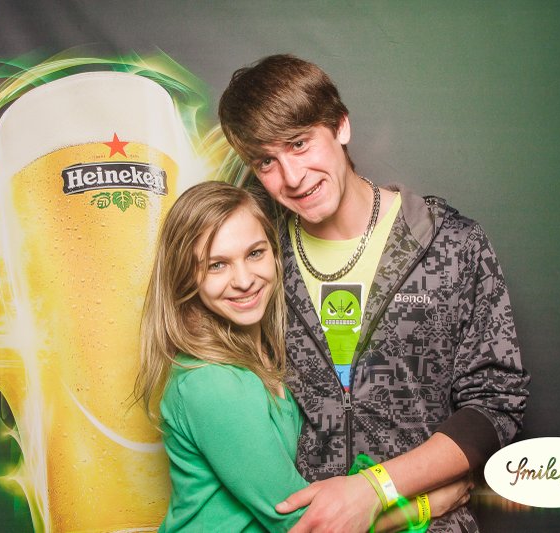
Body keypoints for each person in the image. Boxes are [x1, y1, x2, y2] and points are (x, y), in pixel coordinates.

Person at [218, 55, 530, 532]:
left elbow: (495, 403)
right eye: (267, 162)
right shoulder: (258, 262)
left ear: (340, 126)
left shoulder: (450, 243)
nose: (293, 177)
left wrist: (376, 488)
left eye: (300, 144)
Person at [136, 181, 471, 532]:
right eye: (217, 265)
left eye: (255, 253)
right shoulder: (211, 381)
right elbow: (305, 523)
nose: (244, 280)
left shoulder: (264, 356)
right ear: (186, 276)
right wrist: (427, 504)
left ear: (275, 253)